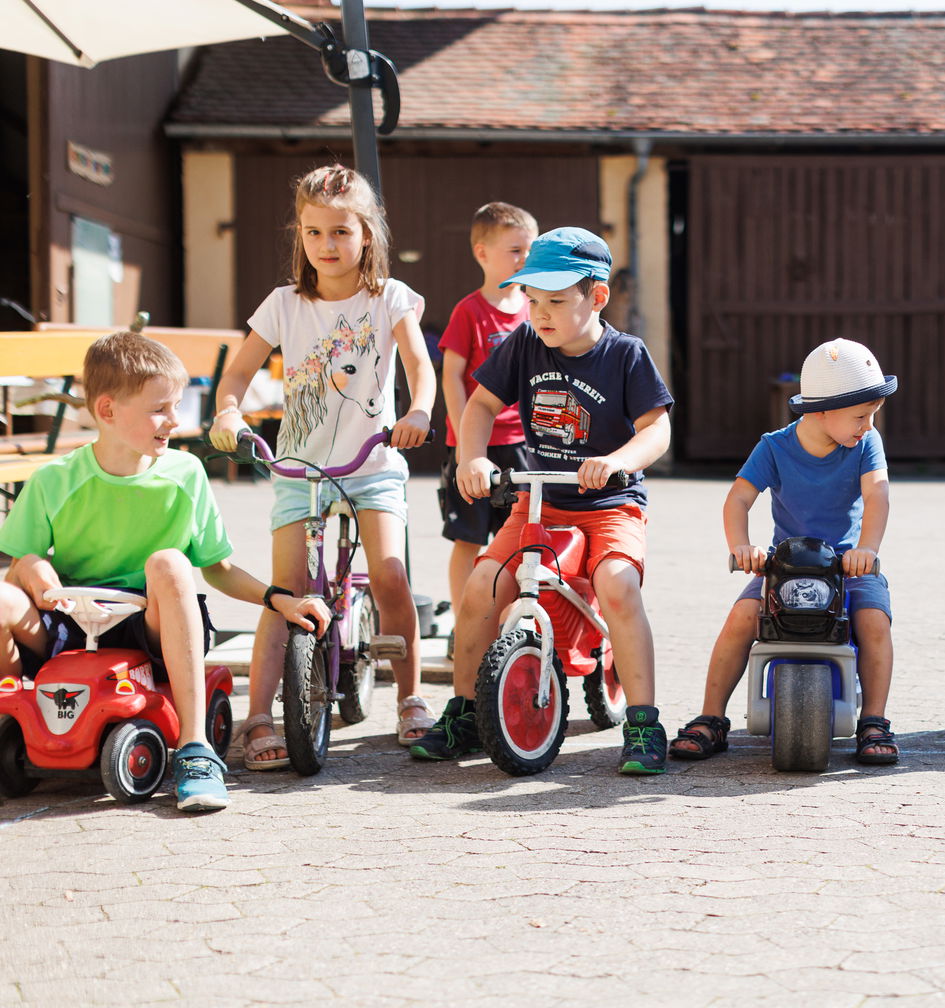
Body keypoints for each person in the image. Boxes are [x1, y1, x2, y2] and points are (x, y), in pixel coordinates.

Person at [0, 332, 329, 812]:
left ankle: (195, 750)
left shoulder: (184, 474)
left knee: (169, 561)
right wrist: (39, 576)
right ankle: (13, 722)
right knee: (3, 597)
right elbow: (21, 566)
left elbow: (217, 570)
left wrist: (280, 599)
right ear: (108, 411)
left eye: (177, 406)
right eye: (162, 409)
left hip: (150, 626)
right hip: (70, 620)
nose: (176, 420)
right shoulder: (54, 480)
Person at [410, 226, 674, 774]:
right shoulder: (525, 345)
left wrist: (620, 460)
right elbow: (480, 407)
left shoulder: (625, 355)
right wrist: (472, 458)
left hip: (610, 503)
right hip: (541, 500)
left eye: (556, 300)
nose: (540, 313)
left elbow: (657, 430)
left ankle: (644, 723)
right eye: (532, 300)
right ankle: (463, 710)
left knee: (618, 587)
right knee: (483, 586)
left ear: (596, 297)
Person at [208, 163, 437, 764]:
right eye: (314, 234)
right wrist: (229, 412)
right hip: (299, 468)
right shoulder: (285, 304)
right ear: (300, 237)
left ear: (366, 234)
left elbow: (419, 363)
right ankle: (258, 716)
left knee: (389, 574)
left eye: (340, 232)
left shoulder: (388, 298)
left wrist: (418, 410)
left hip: (372, 462)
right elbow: (236, 372)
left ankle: (411, 699)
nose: (326, 246)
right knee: (288, 592)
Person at [670, 338, 899, 766]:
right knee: (741, 618)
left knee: (873, 619)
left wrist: (867, 549)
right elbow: (738, 498)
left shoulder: (866, 445)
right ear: (820, 411)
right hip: (783, 566)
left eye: (872, 416)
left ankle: (874, 720)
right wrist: (742, 546)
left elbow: (877, 497)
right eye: (860, 416)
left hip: (846, 565)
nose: (868, 426)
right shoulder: (774, 447)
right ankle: (712, 717)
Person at [438, 202, 539, 619]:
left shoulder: (538, 309)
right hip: (474, 449)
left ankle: (510, 622)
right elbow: (452, 379)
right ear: (482, 253)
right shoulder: (470, 312)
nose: (525, 259)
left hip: (522, 447)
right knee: (469, 539)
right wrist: (467, 448)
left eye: (531, 250)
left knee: (519, 540)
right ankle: (466, 624)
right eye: (516, 250)